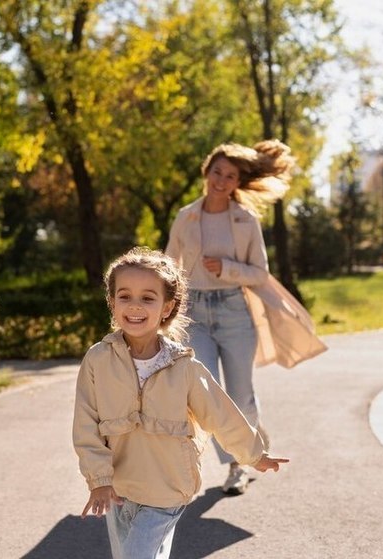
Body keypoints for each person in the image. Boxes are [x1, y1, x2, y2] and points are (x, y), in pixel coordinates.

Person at [73, 247, 288, 559]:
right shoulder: (97, 360)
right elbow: (85, 424)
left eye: (147, 298)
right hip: (118, 486)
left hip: (168, 486)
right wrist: (99, 480)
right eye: (125, 296)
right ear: (112, 301)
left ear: (167, 306)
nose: (135, 306)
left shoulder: (184, 367)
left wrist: (253, 455)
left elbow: (220, 413)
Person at [165, 139, 322, 496]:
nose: (221, 180)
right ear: (207, 172)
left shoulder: (245, 219)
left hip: (234, 312)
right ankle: (237, 451)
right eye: (217, 172)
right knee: (207, 392)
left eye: (230, 175)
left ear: (237, 183)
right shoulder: (185, 216)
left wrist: (227, 268)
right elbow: (169, 266)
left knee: (239, 394)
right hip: (195, 314)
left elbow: (259, 273)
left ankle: (241, 465)